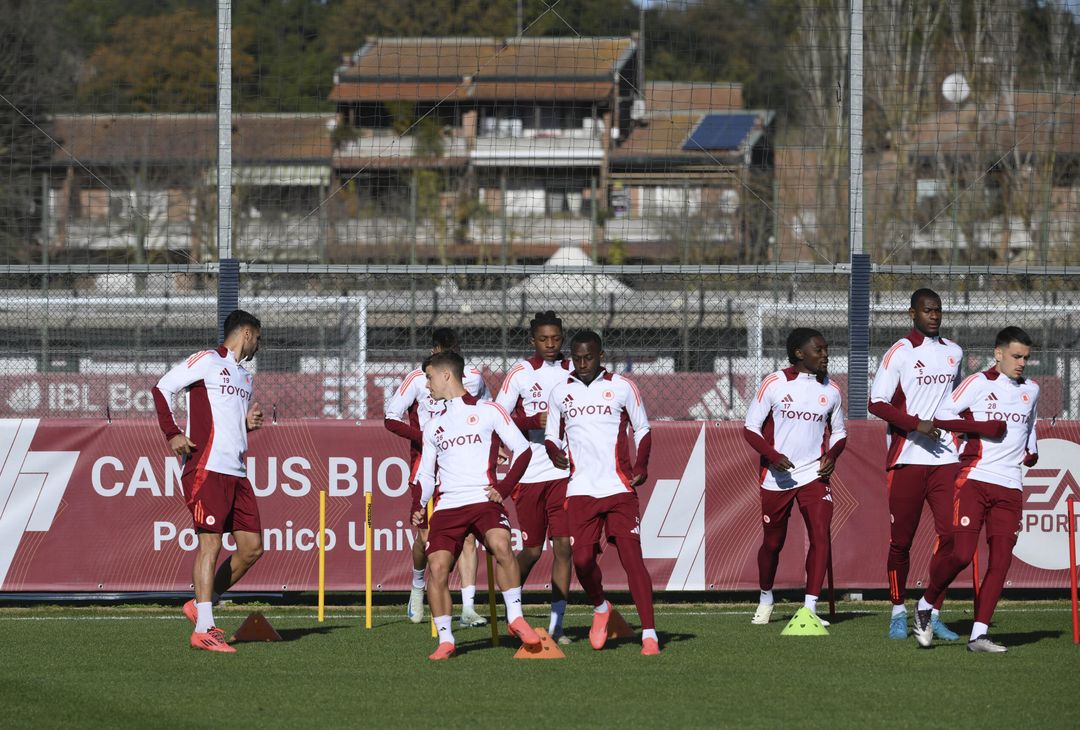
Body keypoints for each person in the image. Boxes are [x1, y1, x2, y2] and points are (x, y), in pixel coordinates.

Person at [912, 327, 1035, 653]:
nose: (1022, 363)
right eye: (1016, 356)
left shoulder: (1031, 390)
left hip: (1011, 486)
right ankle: (925, 604)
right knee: (962, 555)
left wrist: (1032, 450)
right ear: (998, 354)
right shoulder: (978, 383)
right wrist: (982, 428)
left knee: (1001, 563)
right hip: (975, 479)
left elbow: (1030, 425)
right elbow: (941, 415)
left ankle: (979, 635)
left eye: (1026, 357)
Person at [412, 351, 541, 660]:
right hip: (448, 505)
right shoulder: (432, 425)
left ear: (446, 375)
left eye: (429, 377)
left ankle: (515, 618)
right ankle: (446, 640)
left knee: (501, 545)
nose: (426, 384)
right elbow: (426, 475)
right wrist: (419, 504)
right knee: (437, 567)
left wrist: (504, 489)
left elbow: (523, 450)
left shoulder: (489, 411)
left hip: (483, 500)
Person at [152, 309, 265, 653]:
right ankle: (204, 628)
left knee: (252, 548)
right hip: (206, 468)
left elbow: (224, 421)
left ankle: (202, 603)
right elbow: (162, 388)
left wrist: (245, 424)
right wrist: (172, 433)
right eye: (258, 338)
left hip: (237, 472)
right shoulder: (207, 360)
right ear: (246, 333)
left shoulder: (244, 376)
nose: (258, 345)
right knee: (210, 544)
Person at [544, 330, 659, 656]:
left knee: (631, 559)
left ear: (601, 356)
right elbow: (551, 435)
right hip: (580, 489)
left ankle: (649, 634)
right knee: (581, 561)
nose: (582, 363)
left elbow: (643, 429)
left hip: (619, 488)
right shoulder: (560, 392)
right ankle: (600, 607)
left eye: (588, 357)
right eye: (577, 358)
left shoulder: (623, 387)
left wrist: (641, 464)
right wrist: (553, 451)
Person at [868, 288, 964, 641]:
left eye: (938, 310)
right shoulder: (900, 352)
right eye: (927, 310)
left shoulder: (954, 352)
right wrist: (916, 424)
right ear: (913, 313)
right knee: (901, 543)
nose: (934, 315)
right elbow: (876, 402)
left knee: (952, 538)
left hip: (946, 458)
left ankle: (930, 611)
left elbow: (957, 401)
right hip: (907, 458)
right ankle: (897, 611)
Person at [384, 328, 488, 628]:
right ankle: (417, 586)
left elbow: (487, 413)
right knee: (426, 538)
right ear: (434, 351)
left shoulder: (473, 377)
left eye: (455, 352)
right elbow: (391, 417)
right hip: (426, 466)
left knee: (468, 537)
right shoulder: (419, 379)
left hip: (461, 465)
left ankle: (468, 608)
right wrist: (428, 438)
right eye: (444, 351)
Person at [743, 328, 846, 626]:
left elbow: (839, 432)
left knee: (820, 535)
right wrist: (773, 456)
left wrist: (832, 455)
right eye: (819, 350)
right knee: (773, 543)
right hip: (777, 477)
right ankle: (766, 597)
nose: (826, 355)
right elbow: (750, 428)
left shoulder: (832, 390)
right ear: (800, 354)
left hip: (814, 474)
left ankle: (810, 608)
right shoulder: (774, 383)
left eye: (826, 349)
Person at [495, 310, 573, 644]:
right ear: (533, 341)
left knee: (564, 547)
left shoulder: (575, 369)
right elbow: (497, 414)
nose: (550, 344)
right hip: (529, 474)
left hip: (564, 472)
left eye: (555, 338)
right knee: (531, 551)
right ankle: (512, 607)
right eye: (543, 339)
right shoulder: (521, 373)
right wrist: (530, 421)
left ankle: (557, 626)